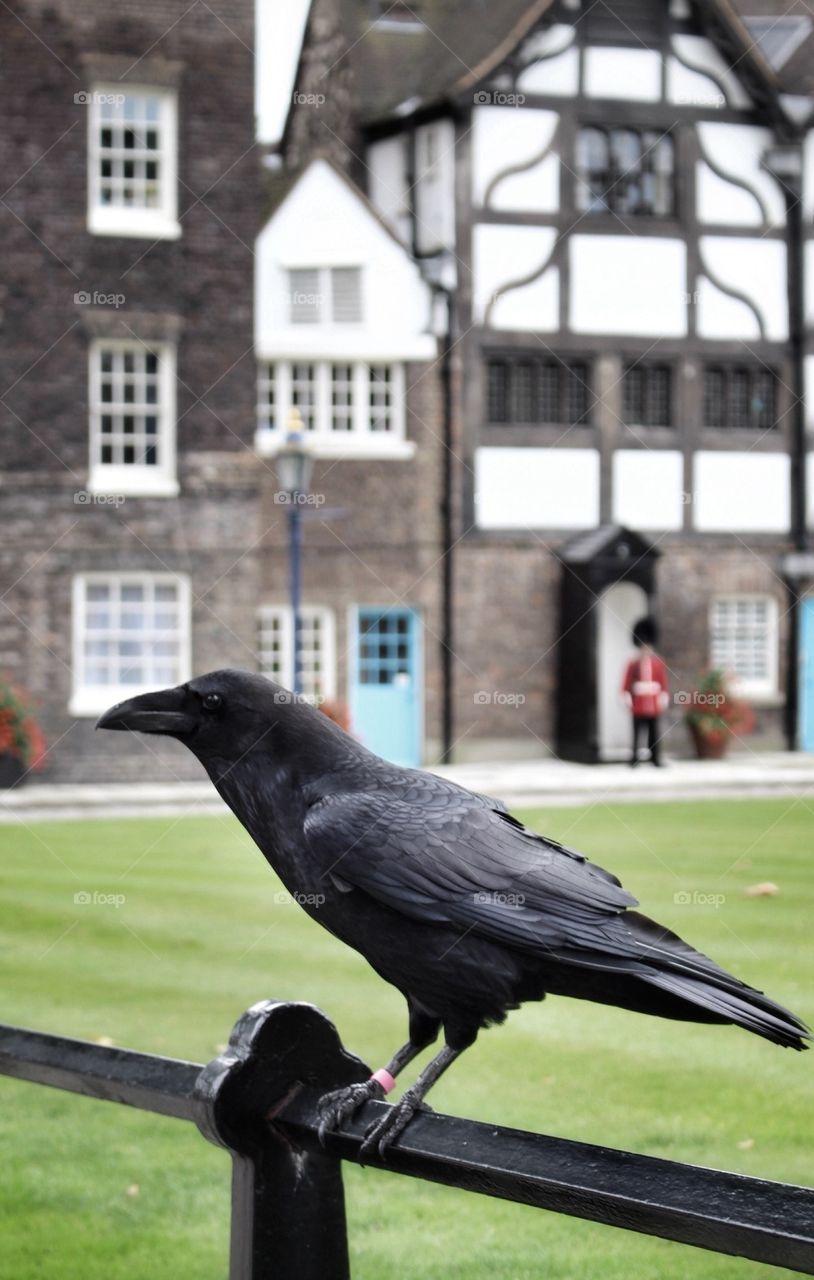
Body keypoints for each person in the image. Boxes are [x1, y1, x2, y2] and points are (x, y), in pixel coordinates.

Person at [621, 617, 669, 767]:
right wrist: (627, 698)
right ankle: (634, 758)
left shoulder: (658, 663)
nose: (646, 649)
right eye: (643, 646)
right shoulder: (633, 663)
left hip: (653, 702)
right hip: (638, 703)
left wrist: (663, 697)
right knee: (637, 733)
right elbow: (626, 684)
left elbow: (662, 683)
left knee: (654, 733)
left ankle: (655, 758)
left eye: (648, 646)